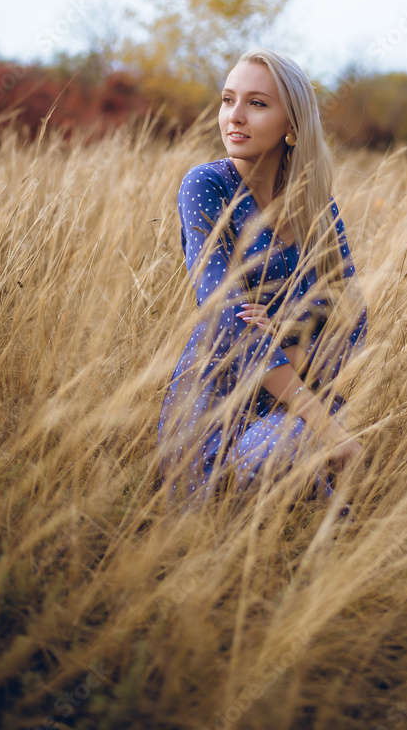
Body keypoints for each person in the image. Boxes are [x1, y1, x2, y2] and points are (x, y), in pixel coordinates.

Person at [157, 48, 368, 509]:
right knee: (221, 497)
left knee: (272, 454)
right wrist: (330, 431)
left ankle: (325, 523)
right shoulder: (205, 186)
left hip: (292, 395)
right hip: (213, 393)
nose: (234, 116)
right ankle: (324, 507)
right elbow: (225, 315)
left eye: (256, 103)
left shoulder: (318, 206)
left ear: (292, 125)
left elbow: (350, 315)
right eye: (228, 99)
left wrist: (287, 343)